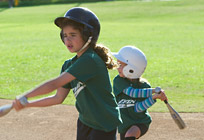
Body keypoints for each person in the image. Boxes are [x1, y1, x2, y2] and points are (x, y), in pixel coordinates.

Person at [12, 7, 122, 140]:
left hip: (104, 122)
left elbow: (53, 84)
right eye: (65, 36)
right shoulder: (69, 64)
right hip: (85, 121)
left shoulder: (90, 60)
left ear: (88, 36)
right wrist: (27, 104)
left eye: (73, 35)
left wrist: (25, 96)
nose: (67, 40)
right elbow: (58, 98)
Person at [112, 46, 168, 140]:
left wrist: (154, 98)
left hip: (140, 122)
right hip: (124, 123)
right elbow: (133, 93)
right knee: (126, 136)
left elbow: (139, 108)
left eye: (121, 65)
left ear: (131, 69)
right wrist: (154, 92)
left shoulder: (144, 86)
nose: (118, 68)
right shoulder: (119, 81)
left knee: (130, 135)